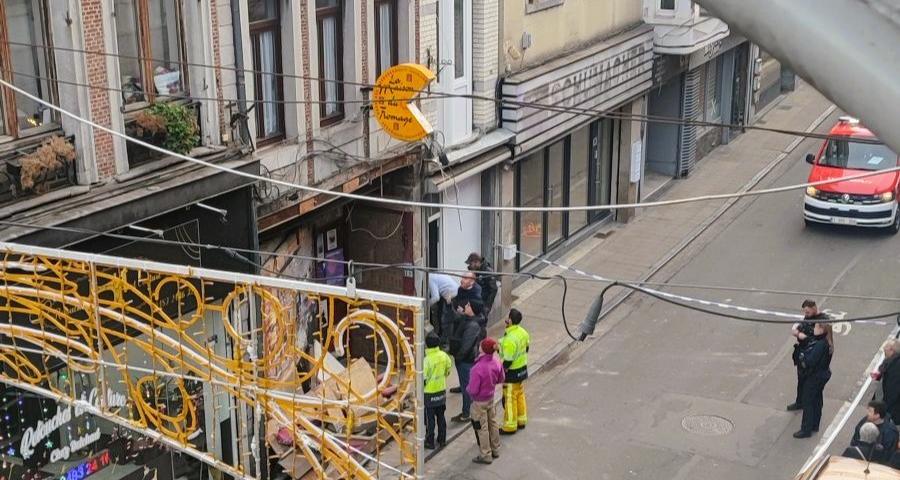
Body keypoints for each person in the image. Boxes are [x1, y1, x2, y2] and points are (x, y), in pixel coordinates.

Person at [788, 300, 833, 412]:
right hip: (803, 351)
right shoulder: (809, 318)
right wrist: (797, 332)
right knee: (801, 381)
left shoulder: (822, 320)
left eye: (807, 312)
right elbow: (803, 326)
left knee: (810, 388)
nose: (806, 315)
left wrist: (802, 335)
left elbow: (815, 336)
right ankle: (800, 402)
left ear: (814, 308)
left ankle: (809, 408)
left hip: (812, 356)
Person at [467, 337, 505, 465]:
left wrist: (467, 389)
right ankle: (496, 448)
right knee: (493, 423)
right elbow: (501, 378)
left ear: (483, 349)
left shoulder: (477, 368)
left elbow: (472, 390)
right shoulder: (496, 362)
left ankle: (485, 454)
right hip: (490, 398)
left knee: (481, 428)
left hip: (478, 402)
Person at [794, 322, 832, 438]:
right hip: (822, 375)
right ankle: (815, 424)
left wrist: (802, 356)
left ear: (821, 329)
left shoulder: (820, 344)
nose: (813, 329)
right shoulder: (826, 342)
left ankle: (806, 429)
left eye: (815, 327)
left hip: (815, 376)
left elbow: (810, 361)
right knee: (817, 399)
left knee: (808, 400)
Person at [449, 301, 485, 423]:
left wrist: (458, 358)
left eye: (468, 306)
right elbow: (458, 318)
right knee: (466, 386)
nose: (466, 306)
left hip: (465, 360)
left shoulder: (473, 326)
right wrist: (451, 305)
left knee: (466, 388)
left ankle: (466, 413)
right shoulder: (469, 319)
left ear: (473, 309)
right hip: (463, 359)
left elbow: (466, 346)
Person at [499, 308, 530, 434]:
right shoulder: (523, 332)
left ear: (510, 320)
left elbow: (507, 361)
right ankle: (521, 420)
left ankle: (510, 426)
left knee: (510, 399)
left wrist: (502, 371)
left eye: (508, 317)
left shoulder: (509, 339)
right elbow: (527, 348)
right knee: (520, 395)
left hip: (512, 373)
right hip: (522, 369)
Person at [423, 333, 452, 450]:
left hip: (429, 393)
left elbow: (423, 378)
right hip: (441, 391)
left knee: (430, 420)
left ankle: (430, 441)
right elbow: (448, 370)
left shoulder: (426, 360)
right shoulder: (444, 356)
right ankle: (442, 439)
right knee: (441, 416)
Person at [427, 273, 459, 347]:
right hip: (453, 293)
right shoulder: (435, 276)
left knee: (446, 320)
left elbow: (436, 298)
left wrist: (426, 305)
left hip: (451, 296)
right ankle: (446, 341)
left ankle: (445, 343)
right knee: (446, 318)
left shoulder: (429, 279)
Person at [876, 340, 900, 421]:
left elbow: (892, 391)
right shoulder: (890, 361)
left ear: (892, 350)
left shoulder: (895, 368)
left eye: (885, 350)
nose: (884, 352)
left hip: (893, 411)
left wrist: (885, 411)